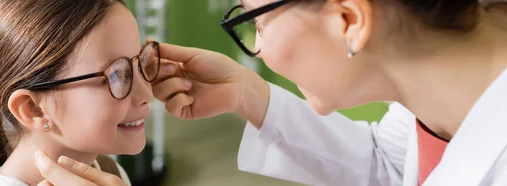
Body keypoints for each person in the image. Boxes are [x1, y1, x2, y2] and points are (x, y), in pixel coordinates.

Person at [34, 0, 507, 185]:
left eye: (255, 24)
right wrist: (250, 97)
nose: (257, 51)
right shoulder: (441, 101)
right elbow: (391, 168)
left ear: (349, 20)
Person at [0, 0, 160, 186]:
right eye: (117, 75)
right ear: (33, 109)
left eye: (141, 62)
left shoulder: (110, 175)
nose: (146, 95)